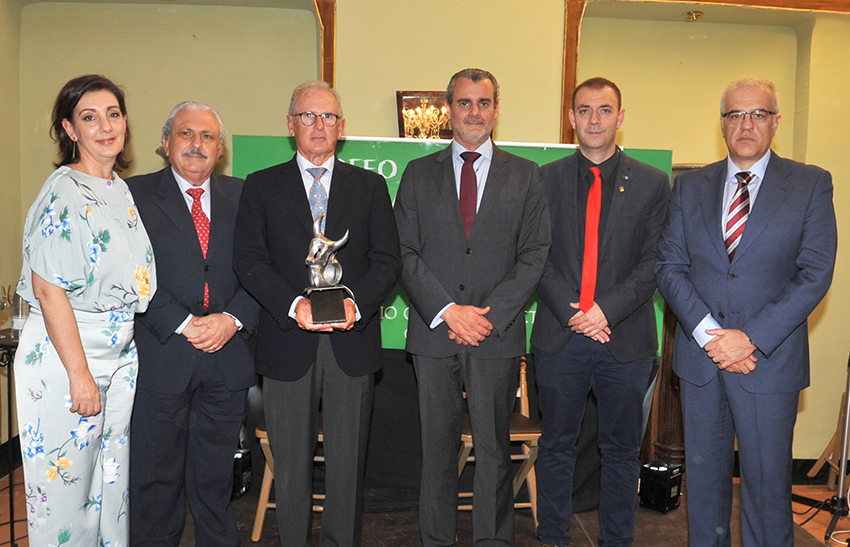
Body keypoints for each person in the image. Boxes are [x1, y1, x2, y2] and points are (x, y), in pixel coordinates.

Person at [655, 77, 837, 547]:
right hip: (702, 364)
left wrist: (749, 338)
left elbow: (815, 273)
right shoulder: (690, 186)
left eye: (758, 113)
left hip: (767, 364)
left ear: (775, 121)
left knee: (767, 492)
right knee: (705, 491)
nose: (746, 124)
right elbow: (670, 267)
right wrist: (714, 335)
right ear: (722, 124)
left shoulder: (810, 183)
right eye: (735, 114)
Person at [233, 80, 400, 547]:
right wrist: (294, 304)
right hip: (288, 342)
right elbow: (248, 260)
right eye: (308, 116)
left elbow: (388, 260)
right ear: (291, 125)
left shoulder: (370, 186)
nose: (319, 125)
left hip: (352, 342)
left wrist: (356, 303)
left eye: (328, 117)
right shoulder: (261, 186)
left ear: (342, 127)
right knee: (290, 470)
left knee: (348, 467)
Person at [394, 68, 551, 546]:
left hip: (495, 336)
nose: (474, 112)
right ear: (449, 110)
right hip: (434, 335)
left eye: (484, 103)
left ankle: (493, 541)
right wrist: (448, 311)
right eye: (465, 103)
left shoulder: (525, 175)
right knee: (437, 452)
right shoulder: (419, 174)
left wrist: (487, 315)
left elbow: (534, 253)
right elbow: (404, 252)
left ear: (496, 109)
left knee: (494, 452)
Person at [14, 74, 156, 547]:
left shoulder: (122, 190)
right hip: (68, 357)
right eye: (89, 118)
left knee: (108, 488)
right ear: (70, 130)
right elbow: (48, 289)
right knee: (65, 496)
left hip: (118, 357)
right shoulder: (64, 191)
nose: (104, 127)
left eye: (113, 114)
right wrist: (79, 373)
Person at [531, 77, 670, 547]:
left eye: (605, 110)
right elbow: (535, 255)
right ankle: (552, 536)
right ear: (571, 118)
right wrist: (576, 313)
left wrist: (603, 311)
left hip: (624, 339)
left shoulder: (652, 183)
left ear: (621, 117)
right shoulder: (542, 179)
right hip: (560, 335)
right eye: (585, 110)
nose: (595, 119)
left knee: (622, 451)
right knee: (555, 446)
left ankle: (617, 540)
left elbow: (654, 261)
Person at [126, 102, 259, 546]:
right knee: (155, 485)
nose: (196, 144)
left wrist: (233, 318)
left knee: (215, 482)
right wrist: (184, 322)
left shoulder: (245, 195)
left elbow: (265, 269)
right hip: (161, 357)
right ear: (166, 144)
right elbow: (128, 272)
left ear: (219, 149)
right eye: (186, 134)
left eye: (207, 136)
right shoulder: (132, 195)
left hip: (227, 359)